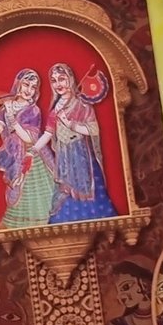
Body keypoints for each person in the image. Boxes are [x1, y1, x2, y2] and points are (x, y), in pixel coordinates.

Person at [0, 68, 57, 226]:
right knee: (18, 189)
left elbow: (29, 138)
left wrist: (12, 119)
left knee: (35, 191)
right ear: (18, 84)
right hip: (14, 155)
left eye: (33, 87)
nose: (29, 90)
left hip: (32, 157)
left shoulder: (33, 110)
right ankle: (20, 225)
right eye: (26, 84)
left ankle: (43, 224)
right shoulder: (5, 108)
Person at [45, 61, 117, 222]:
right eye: (54, 81)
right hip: (64, 157)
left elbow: (93, 130)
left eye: (62, 79)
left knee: (88, 192)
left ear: (70, 79)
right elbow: (49, 133)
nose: (58, 84)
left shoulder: (83, 106)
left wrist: (70, 124)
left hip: (81, 156)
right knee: (64, 191)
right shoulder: (55, 108)